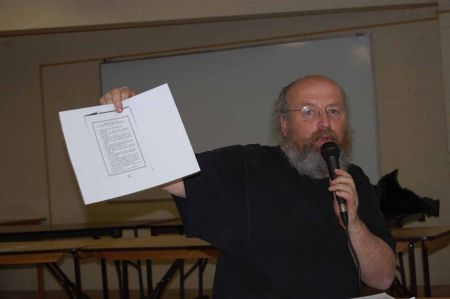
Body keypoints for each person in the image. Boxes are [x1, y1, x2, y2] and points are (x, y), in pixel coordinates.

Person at [100, 75, 395, 299]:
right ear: (284, 125)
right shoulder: (248, 166)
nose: (324, 123)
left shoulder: (354, 180)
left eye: (334, 111)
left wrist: (354, 223)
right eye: (308, 112)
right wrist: (127, 117)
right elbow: (168, 172)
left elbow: (382, 279)